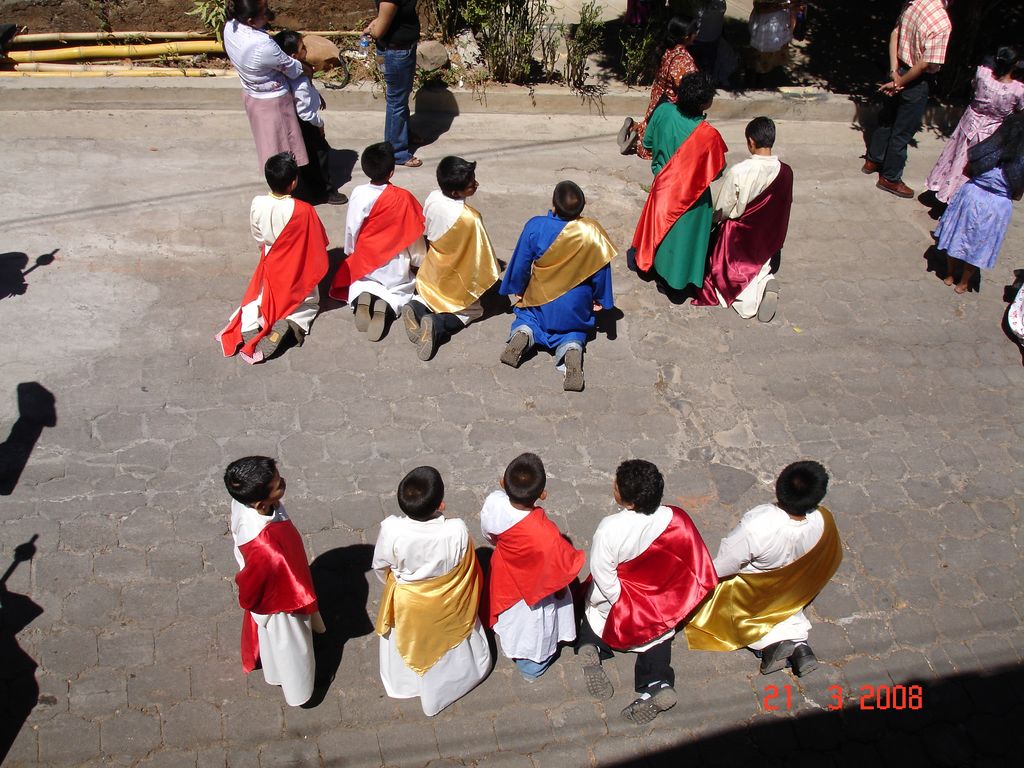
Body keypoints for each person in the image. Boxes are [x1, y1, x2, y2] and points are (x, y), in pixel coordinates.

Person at [578, 460, 717, 724]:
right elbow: (691, 560)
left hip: (622, 602)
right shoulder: (677, 518)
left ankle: (591, 646)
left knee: (592, 614)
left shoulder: (610, 528)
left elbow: (602, 575)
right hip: (661, 603)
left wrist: (626, 607)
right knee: (659, 639)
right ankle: (658, 684)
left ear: (626, 500)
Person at [685, 461, 842, 679]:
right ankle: (800, 647)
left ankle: (769, 646)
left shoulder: (758, 525)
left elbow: (726, 563)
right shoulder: (823, 520)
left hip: (754, 589)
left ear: (779, 485)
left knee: (733, 611)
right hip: (793, 587)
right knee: (786, 608)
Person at [372, 466, 492, 716]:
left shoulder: (392, 531)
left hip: (408, 603)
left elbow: (380, 566)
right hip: (448, 599)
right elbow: (466, 565)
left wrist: (395, 585)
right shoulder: (456, 530)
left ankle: (409, 683)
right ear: (441, 503)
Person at [224, 456, 326, 706]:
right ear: (260, 503)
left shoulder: (246, 503)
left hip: (280, 584)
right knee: (291, 646)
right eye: (278, 485)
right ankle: (299, 692)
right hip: (281, 602)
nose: (284, 483)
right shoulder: (265, 548)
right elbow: (254, 584)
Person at [498, 181, 617, 392]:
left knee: (529, 316)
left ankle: (524, 333)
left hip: (540, 296)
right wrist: (600, 298)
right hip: (576, 302)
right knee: (574, 331)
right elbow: (601, 272)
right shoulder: (592, 232)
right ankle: (571, 348)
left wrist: (518, 287)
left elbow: (521, 264)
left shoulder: (536, 226)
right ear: (583, 206)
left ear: (553, 204)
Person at [480, 453, 585, 681]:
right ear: (542, 495)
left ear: (502, 483)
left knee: (513, 619)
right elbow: (561, 571)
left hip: (505, 572)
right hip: (538, 587)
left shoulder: (493, 503)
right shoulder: (548, 534)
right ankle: (532, 667)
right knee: (535, 627)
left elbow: (489, 534)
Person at [218, 152, 329, 363]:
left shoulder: (257, 202)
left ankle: (251, 324)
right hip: (296, 264)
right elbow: (318, 242)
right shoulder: (303, 210)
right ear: (294, 182)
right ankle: (290, 326)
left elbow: (257, 235)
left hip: (271, 257)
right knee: (305, 304)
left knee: (260, 297)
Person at [631, 71, 728, 294]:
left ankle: (651, 266)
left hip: (663, 188)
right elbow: (716, 172)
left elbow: (647, 143)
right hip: (692, 196)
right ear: (705, 103)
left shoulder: (663, 111)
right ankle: (676, 283)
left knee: (660, 232)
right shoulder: (709, 136)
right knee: (683, 240)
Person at [692, 116, 794, 322]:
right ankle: (766, 281)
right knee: (760, 266)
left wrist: (712, 223)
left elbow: (724, 208)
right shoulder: (786, 172)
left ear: (751, 142)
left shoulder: (740, 171)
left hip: (740, 237)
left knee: (725, 279)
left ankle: (752, 301)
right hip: (768, 236)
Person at [401, 156, 501, 361]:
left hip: (433, 269)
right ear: (456, 192)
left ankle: (416, 307)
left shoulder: (433, 197)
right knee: (472, 310)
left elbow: (427, 230)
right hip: (455, 276)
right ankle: (438, 325)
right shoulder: (470, 217)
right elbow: (480, 254)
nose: (476, 183)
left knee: (428, 296)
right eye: (471, 183)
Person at [329, 142, 426, 341]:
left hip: (366, 259)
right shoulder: (404, 198)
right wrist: (419, 260)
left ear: (365, 169)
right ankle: (388, 305)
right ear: (391, 172)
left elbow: (352, 227)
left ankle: (361, 297)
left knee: (359, 281)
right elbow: (413, 235)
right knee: (400, 288)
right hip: (395, 264)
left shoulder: (358, 193)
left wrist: (351, 252)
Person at [862, 0, 954, 199]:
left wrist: (894, 72)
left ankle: (873, 160)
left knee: (887, 118)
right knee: (902, 131)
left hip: (899, 69)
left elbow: (895, 33)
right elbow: (923, 64)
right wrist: (901, 83)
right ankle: (890, 178)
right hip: (915, 81)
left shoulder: (914, 2)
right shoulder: (942, 23)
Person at [934, 111, 1024, 294]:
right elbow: (1017, 195)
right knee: (978, 247)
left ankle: (949, 275)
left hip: (970, 197)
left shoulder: (985, 149)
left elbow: (968, 170)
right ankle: (964, 283)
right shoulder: (1019, 166)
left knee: (956, 237)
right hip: (997, 207)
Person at [925, 46, 1024, 205]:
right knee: (973, 165)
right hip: (991, 132)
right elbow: (1019, 110)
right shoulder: (1018, 91)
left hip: (969, 123)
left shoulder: (982, 74)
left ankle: (942, 188)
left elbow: (973, 86)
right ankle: (957, 198)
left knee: (956, 156)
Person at [223, 0, 309, 172]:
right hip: (275, 104)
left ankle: (278, 181)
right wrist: (308, 69)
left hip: (252, 96)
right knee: (286, 149)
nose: (268, 12)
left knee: (268, 145)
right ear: (251, 21)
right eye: (264, 11)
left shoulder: (230, 27)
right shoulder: (263, 45)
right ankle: (288, 188)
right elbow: (292, 69)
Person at [273, 29, 348, 206]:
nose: (306, 49)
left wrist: (316, 96)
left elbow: (307, 91)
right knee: (319, 156)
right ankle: (324, 192)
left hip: (298, 122)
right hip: (307, 124)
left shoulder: (292, 71)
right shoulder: (299, 78)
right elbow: (305, 111)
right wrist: (319, 124)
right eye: (303, 47)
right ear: (294, 55)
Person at [617, 15, 700, 158]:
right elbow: (688, 88)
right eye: (694, 31)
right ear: (686, 36)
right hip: (669, 104)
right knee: (656, 145)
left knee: (651, 126)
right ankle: (637, 142)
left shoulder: (666, 49)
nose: (696, 34)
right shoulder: (683, 60)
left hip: (658, 98)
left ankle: (633, 129)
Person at [364, 0, 422, 168]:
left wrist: (374, 26)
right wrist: (370, 31)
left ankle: (403, 135)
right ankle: (396, 151)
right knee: (397, 101)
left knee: (401, 98)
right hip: (396, 53)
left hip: (402, 50)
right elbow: (379, 30)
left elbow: (386, 17)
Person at [747, 1, 796, 85]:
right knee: (762, 57)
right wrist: (782, 6)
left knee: (777, 54)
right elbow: (759, 7)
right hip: (766, 28)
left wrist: (792, 19)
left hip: (781, 26)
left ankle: (771, 74)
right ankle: (758, 79)